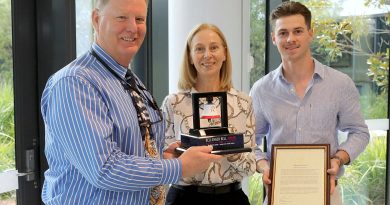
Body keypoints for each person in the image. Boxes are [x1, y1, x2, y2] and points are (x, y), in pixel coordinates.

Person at [40, 0, 222, 204]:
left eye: (139, 19)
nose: (132, 28)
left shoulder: (130, 81)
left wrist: (163, 157)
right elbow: (104, 169)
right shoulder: (75, 83)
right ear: (96, 19)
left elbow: (130, 149)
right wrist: (178, 168)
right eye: (121, 17)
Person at [250, 1, 370, 205]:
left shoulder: (340, 84)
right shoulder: (262, 90)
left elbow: (359, 132)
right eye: (283, 33)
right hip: (279, 195)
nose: (290, 39)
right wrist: (263, 166)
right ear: (273, 38)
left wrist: (338, 158)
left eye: (297, 31)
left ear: (310, 33)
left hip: (326, 194)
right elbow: (248, 141)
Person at [162, 23, 257, 205]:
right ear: (190, 56)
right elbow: (165, 161)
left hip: (232, 199)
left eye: (214, 47)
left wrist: (227, 146)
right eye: (199, 49)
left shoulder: (243, 103)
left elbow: (250, 167)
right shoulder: (173, 103)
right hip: (184, 199)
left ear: (224, 53)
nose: (207, 55)